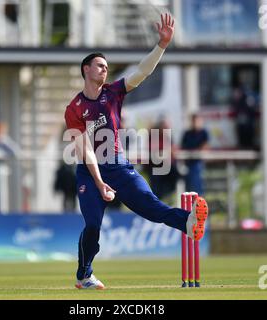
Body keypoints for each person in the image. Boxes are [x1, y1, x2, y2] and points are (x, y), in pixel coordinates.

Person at [64, 13, 209, 289]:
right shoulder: (74, 109)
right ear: (86, 70)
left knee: (151, 205)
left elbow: (141, 72)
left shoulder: (113, 93)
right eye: (99, 65)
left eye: (106, 66)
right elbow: (86, 151)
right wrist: (100, 183)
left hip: (119, 167)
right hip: (90, 172)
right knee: (93, 225)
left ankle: (189, 224)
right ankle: (84, 274)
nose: (104, 70)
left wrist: (162, 45)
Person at [181, 113, 209, 196]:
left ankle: (198, 200)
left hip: (197, 163)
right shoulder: (187, 133)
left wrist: (195, 151)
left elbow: (205, 147)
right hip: (188, 163)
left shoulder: (204, 133)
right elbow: (183, 147)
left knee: (196, 183)